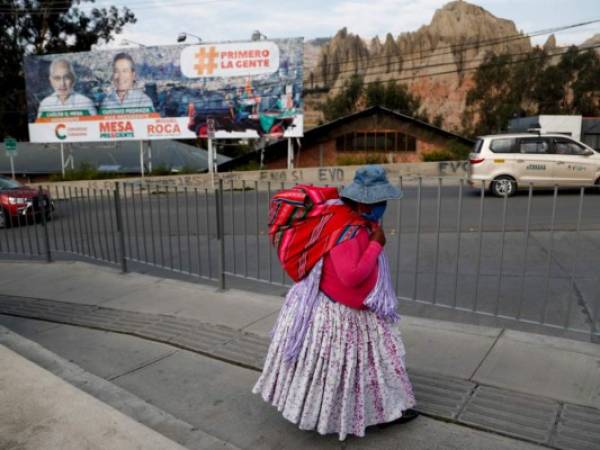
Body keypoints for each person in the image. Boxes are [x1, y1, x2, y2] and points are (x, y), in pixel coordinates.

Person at [253, 165, 417, 440]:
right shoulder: (348, 230)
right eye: (380, 201)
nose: (383, 206)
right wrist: (376, 244)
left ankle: (371, 411)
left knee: (351, 369)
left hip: (345, 306)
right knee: (352, 368)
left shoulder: (343, 217)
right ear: (365, 202)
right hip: (341, 313)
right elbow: (351, 276)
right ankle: (363, 414)